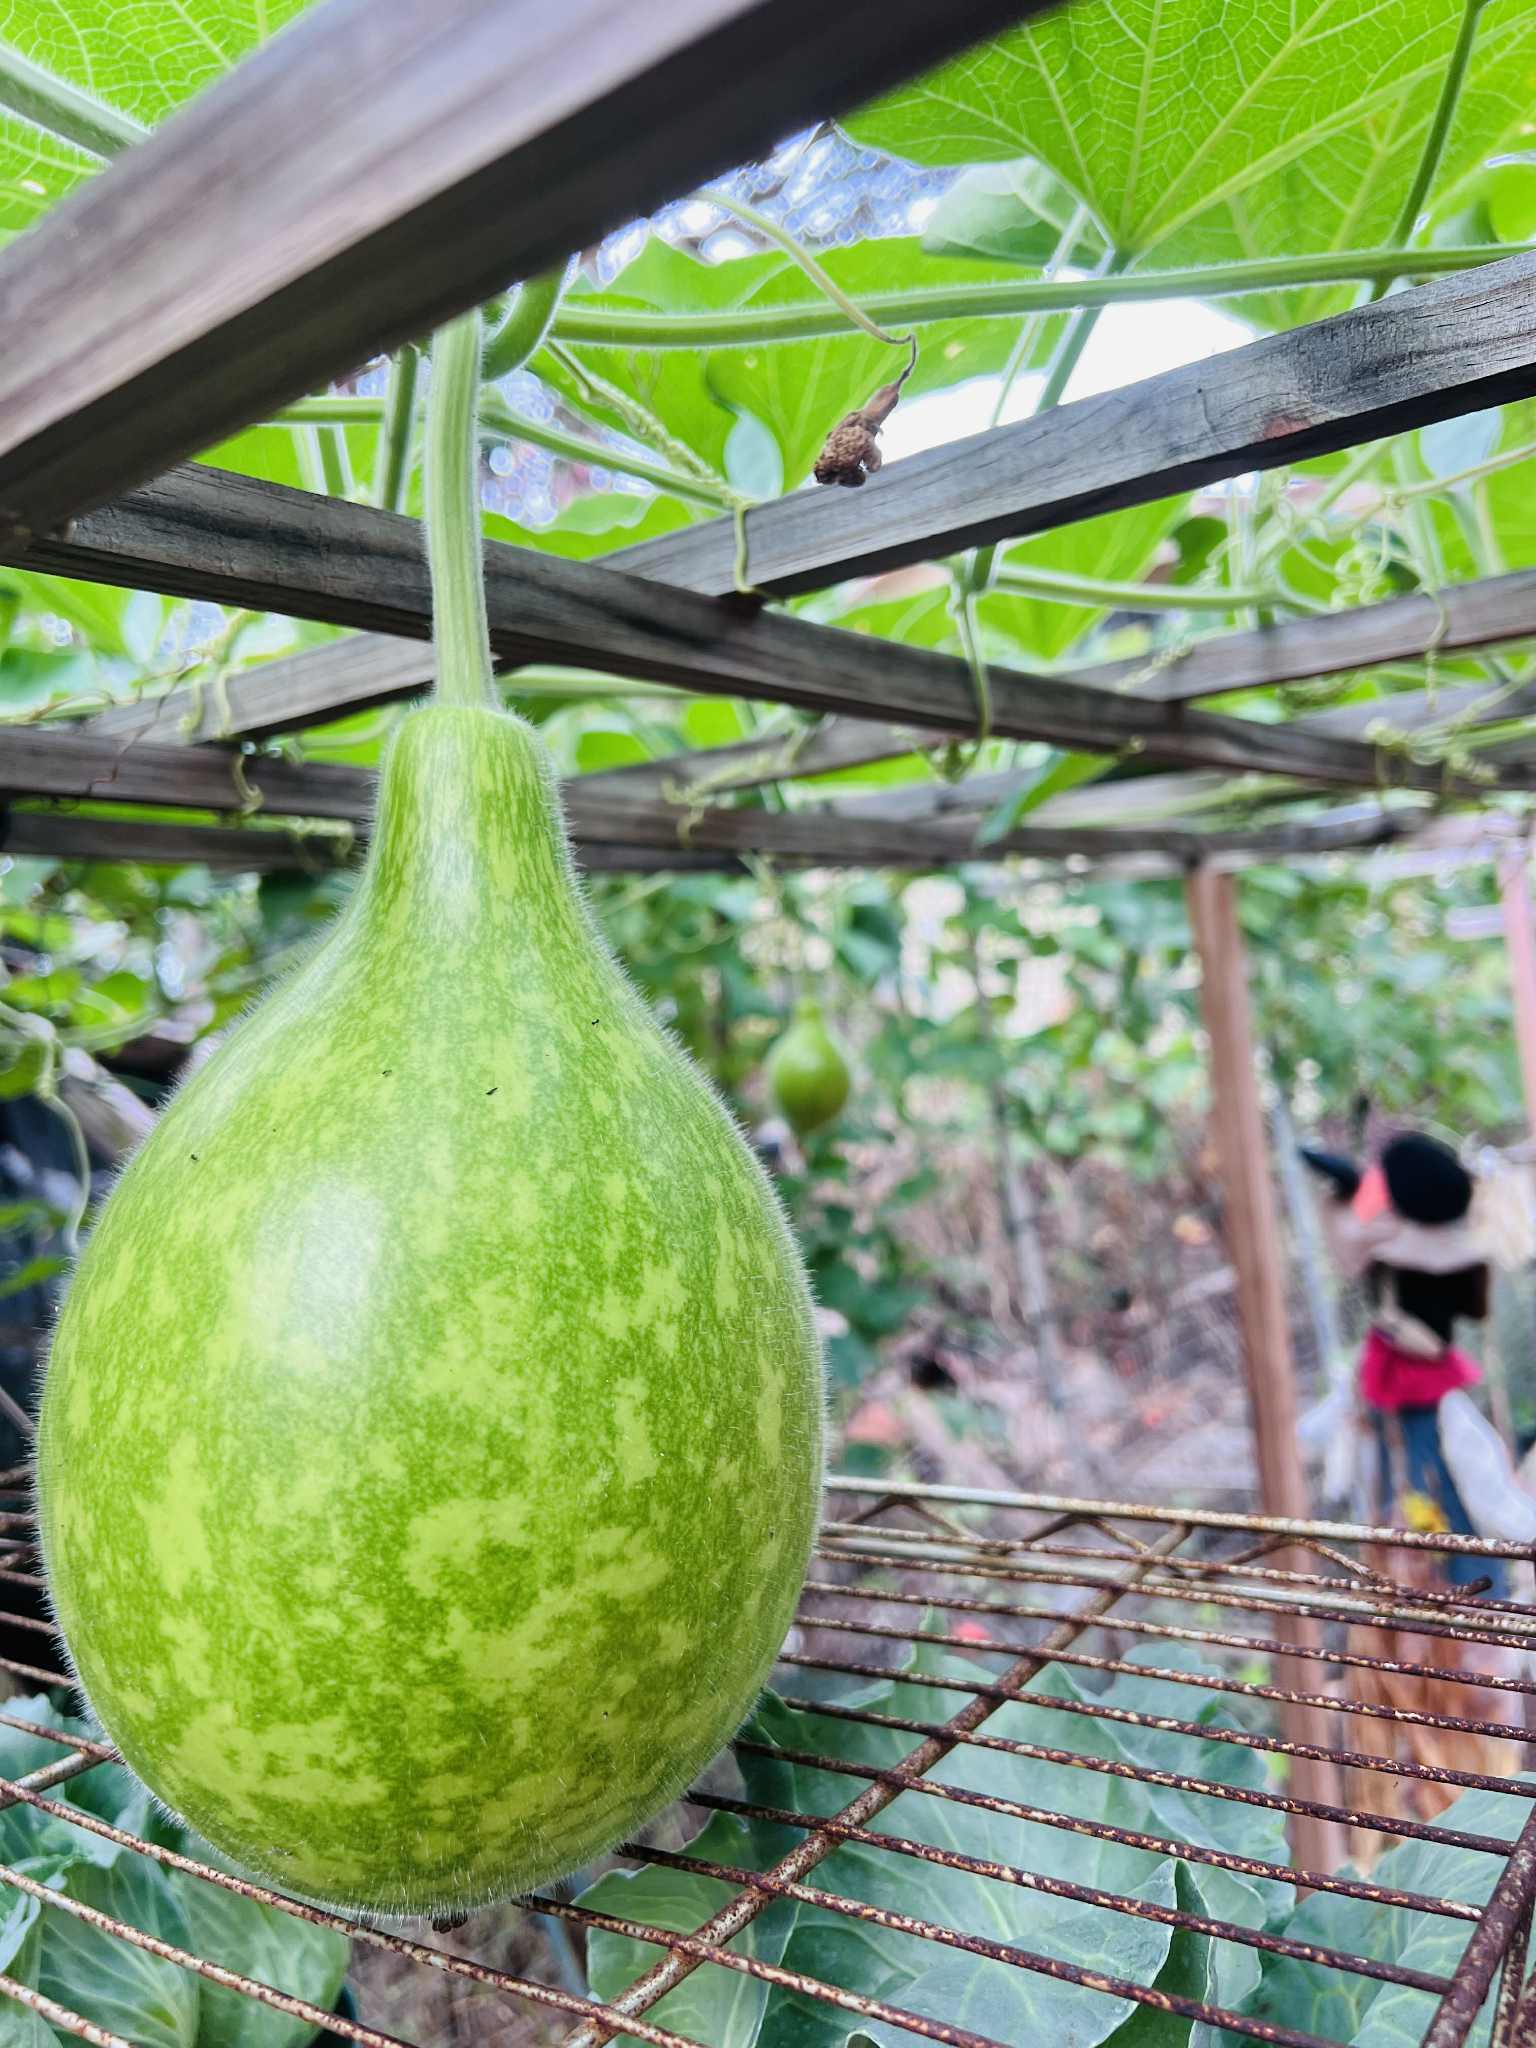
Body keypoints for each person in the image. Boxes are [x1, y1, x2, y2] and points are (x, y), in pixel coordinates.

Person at [1303, 1131, 1532, 1598]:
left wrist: (1525, 1529)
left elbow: (1492, 1492)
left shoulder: (1443, 1410)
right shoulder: (1375, 1399)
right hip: (1399, 1581)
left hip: (1463, 1594)